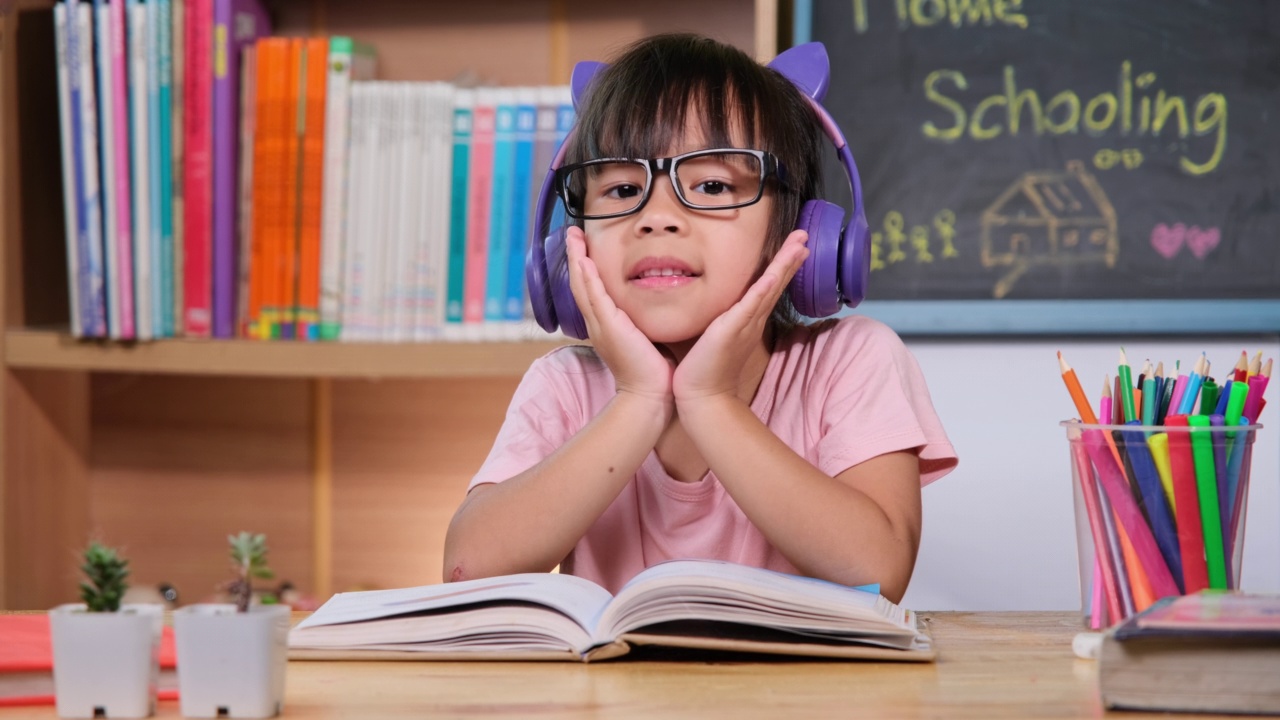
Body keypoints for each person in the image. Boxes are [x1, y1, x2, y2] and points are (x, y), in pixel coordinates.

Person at [443, 33, 956, 603]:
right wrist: (637, 398)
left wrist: (711, 401)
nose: (657, 218)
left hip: (803, 697)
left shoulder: (849, 360)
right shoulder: (564, 385)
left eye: (712, 185)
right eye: (621, 188)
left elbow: (879, 572)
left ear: (802, 230)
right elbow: (469, 567)